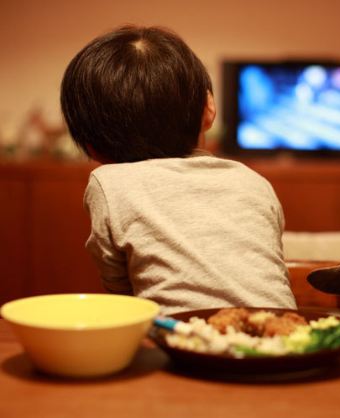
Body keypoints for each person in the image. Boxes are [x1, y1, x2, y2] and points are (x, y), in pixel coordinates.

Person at [60, 25, 297, 315]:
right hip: (287, 342)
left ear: (91, 146)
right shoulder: (254, 181)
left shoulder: (109, 183)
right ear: (208, 109)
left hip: (179, 344)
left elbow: (121, 294)